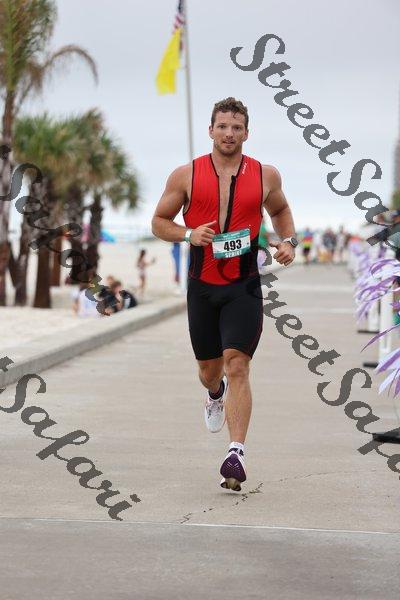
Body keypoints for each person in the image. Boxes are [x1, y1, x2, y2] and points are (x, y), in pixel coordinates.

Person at [151, 97, 297, 492]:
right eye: (222, 126)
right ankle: (214, 394)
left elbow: (281, 211)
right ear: (211, 130)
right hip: (202, 286)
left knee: (238, 365)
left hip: (243, 285)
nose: (229, 133)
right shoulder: (186, 175)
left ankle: (236, 454)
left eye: (236, 127)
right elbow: (159, 222)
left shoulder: (265, 175)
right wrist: (188, 234)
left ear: (247, 132)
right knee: (210, 371)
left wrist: (288, 241)